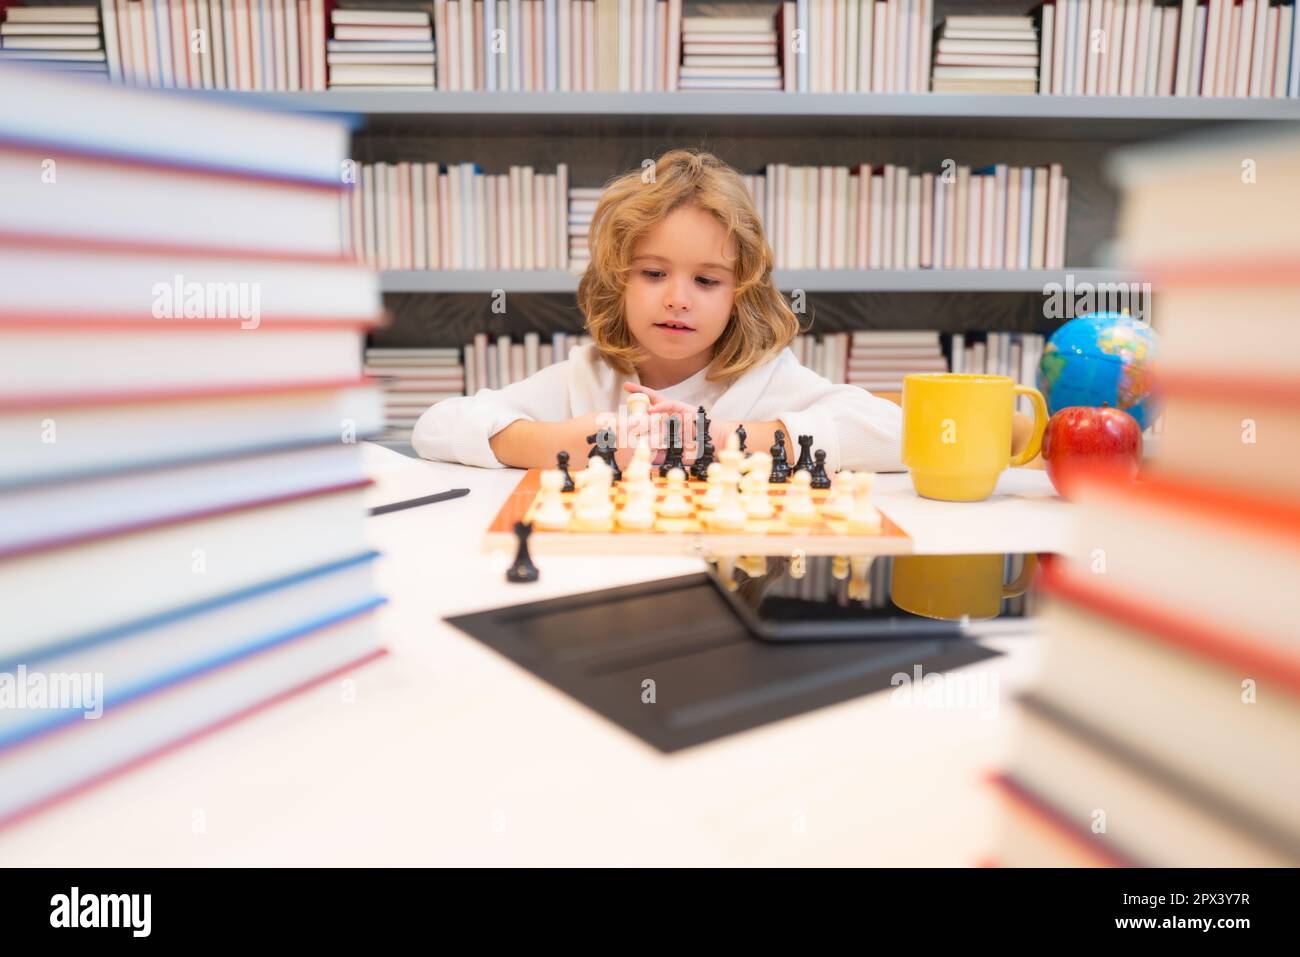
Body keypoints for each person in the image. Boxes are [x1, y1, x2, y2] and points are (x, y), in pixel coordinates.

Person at [413, 148, 903, 473]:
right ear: (617, 281)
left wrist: (726, 438)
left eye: (707, 280)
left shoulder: (766, 380)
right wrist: (577, 442)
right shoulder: (588, 377)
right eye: (652, 273)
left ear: (741, 295)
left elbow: (895, 434)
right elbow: (435, 426)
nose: (678, 299)